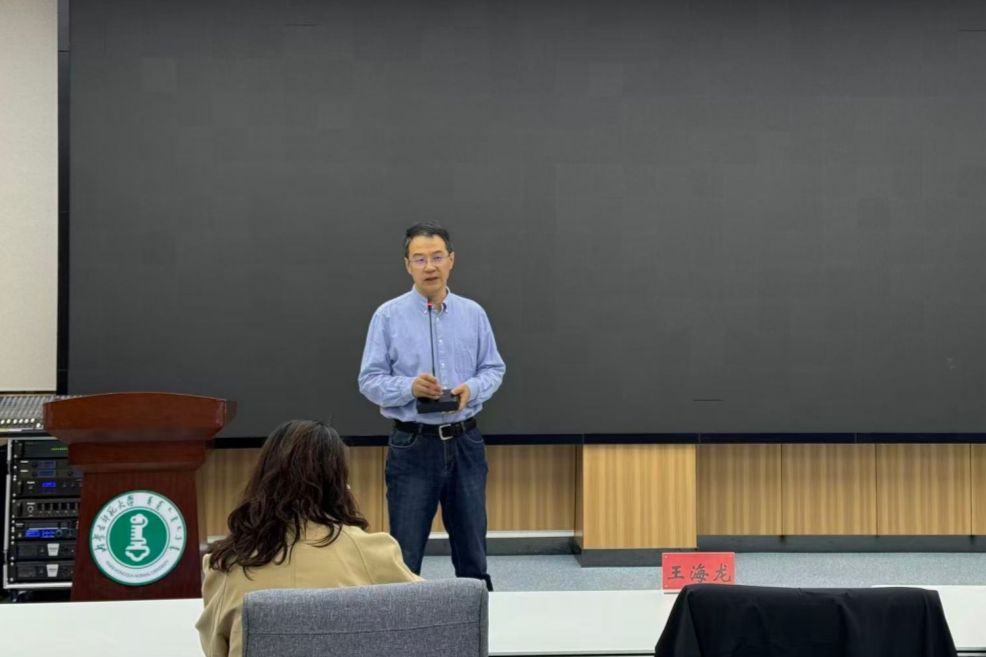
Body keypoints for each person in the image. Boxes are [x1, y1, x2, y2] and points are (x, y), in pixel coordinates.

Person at [358, 222, 506, 591]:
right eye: (420, 259)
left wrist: (472, 389)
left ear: (451, 260)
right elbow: (369, 381)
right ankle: (403, 624)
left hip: (465, 442)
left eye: (437, 257)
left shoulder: (473, 314)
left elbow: (494, 368)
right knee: (405, 554)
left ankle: (479, 618)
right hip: (413, 445)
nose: (429, 267)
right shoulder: (387, 316)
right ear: (407, 265)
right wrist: (409, 387)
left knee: (473, 551)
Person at [195, 419, 419, 657]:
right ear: (339, 482)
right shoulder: (374, 552)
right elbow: (431, 619)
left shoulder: (225, 563)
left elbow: (215, 650)